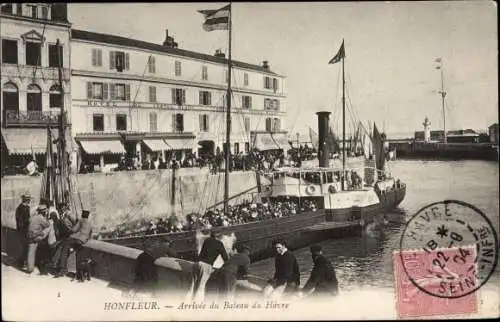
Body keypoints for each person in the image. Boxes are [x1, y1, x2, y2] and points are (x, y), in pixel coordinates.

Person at [53, 210, 93, 277]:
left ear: (82, 215)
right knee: (78, 254)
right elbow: (90, 234)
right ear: (88, 216)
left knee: (64, 249)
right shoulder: (89, 224)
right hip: (83, 241)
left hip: (76, 238)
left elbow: (74, 230)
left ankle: (63, 269)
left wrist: (70, 230)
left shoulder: (81, 220)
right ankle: (78, 272)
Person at [191, 231, 229, 302]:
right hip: (206, 265)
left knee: (193, 286)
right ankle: (196, 305)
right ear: (218, 237)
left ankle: (189, 302)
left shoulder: (207, 240)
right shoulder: (219, 243)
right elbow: (226, 258)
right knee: (201, 287)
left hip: (197, 264)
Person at [26, 204, 51, 274]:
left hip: (30, 236)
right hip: (37, 237)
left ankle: (30, 268)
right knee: (49, 227)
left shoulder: (32, 217)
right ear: (44, 212)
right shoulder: (41, 218)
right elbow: (47, 224)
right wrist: (46, 218)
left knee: (31, 252)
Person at [15, 193, 32, 268]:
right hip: (23, 231)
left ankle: (23, 261)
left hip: (26, 229)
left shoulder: (27, 207)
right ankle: (21, 263)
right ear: (25, 200)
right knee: (23, 247)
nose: (29, 201)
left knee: (25, 247)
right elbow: (20, 221)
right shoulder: (20, 208)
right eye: (28, 200)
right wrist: (23, 230)